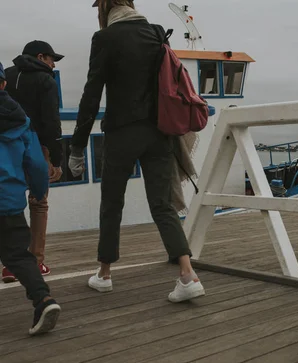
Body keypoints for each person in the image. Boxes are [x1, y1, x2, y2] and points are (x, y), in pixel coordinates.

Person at [69, 0, 205, 302]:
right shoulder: (155, 32)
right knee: (163, 204)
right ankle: (187, 274)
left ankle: (104, 274)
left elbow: (92, 94)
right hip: (159, 132)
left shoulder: (105, 38)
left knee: (112, 202)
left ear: (104, 8)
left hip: (121, 133)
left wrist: (77, 146)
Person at [0, 62, 61, 335]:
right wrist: (38, 191)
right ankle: (43, 299)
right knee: (18, 256)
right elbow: (36, 163)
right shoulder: (21, 120)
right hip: (9, 201)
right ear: (3, 84)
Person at [2, 40, 65, 282]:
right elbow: (51, 121)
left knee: (8, 199)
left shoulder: (6, 74)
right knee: (38, 201)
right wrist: (55, 159)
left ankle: (10, 264)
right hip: (35, 144)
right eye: (51, 59)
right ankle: (35, 262)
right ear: (41, 57)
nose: (52, 65)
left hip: (6, 145)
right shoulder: (45, 80)